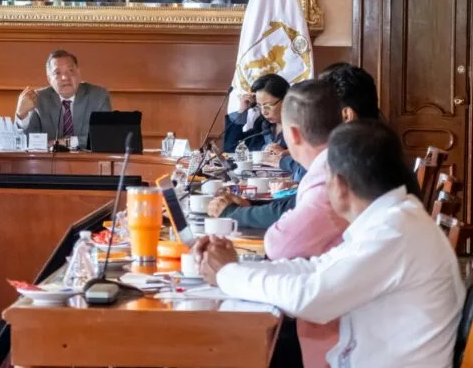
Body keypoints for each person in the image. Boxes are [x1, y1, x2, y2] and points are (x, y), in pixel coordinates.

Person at [195, 119, 465, 368]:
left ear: (339, 185)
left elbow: (309, 298)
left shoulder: (394, 231)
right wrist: (235, 267)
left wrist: (227, 273)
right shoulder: (394, 218)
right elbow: (317, 269)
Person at [211, 64, 382, 230]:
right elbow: (301, 201)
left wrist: (236, 213)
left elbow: (296, 218)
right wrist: (250, 205)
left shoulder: (354, 158)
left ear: (346, 116)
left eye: (319, 109)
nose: (312, 117)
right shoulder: (371, 143)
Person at [262, 81, 349, 368]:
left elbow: (280, 245)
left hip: (337, 335)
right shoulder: (341, 161)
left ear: (294, 134)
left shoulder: (331, 175)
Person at [15, 50, 112, 147]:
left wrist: (68, 142)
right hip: (50, 157)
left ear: (78, 73)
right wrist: (21, 115)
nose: (65, 77)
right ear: (49, 79)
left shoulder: (98, 96)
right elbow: (27, 141)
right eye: (57, 73)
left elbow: (105, 135)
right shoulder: (38, 99)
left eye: (70, 71)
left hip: (88, 157)